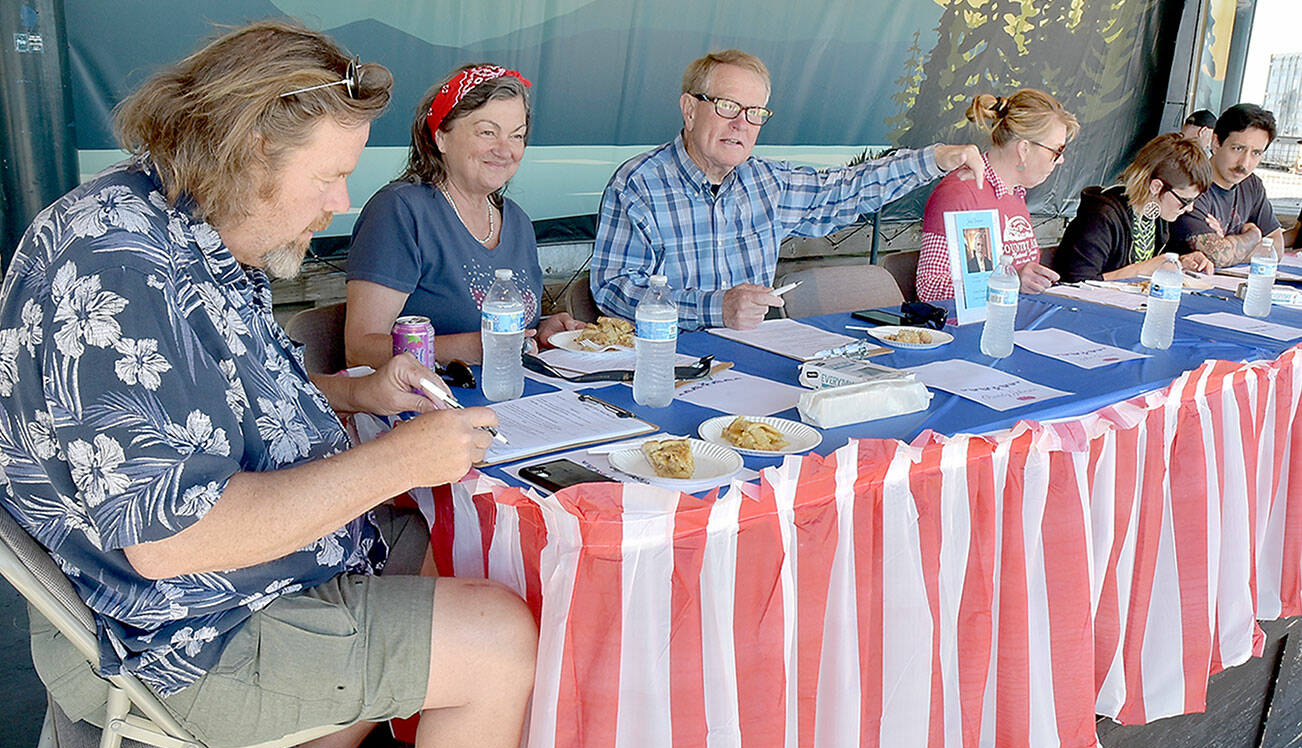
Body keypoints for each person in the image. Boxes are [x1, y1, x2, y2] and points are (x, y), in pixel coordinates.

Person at [0, 22, 534, 748]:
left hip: (217, 584)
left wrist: (360, 392)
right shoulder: (120, 271)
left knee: (451, 539)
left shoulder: (174, 223)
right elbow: (177, 538)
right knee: (501, 634)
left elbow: (208, 410)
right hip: (178, 636)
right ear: (251, 149)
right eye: (329, 175)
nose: (340, 202)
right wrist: (398, 458)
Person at [590, 49, 986, 330]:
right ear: (690, 109)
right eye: (727, 106)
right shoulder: (639, 184)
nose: (741, 124)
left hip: (752, 358)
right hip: (667, 364)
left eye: (754, 113)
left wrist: (933, 160)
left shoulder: (765, 183)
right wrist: (714, 307)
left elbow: (847, 189)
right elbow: (612, 291)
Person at [345, 65, 584, 369]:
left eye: (517, 135)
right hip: (425, 405)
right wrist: (466, 348)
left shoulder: (518, 222)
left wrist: (540, 334)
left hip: (510, 399)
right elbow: (360, 349)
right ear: (441, 136)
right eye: (487, 132)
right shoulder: (400, 211)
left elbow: (509, 338)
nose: (505, 149)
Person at [916, 88, 1079, 302]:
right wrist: (1012, 283)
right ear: (1024, 149)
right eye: (1056, 151)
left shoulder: (1014, 193)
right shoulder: (961, 193)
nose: (1060, 160)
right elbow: (929, 287)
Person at [1053, 133, 1215, 282]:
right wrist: (1141, 270)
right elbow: (1075, 283)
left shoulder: (1158, 215)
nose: (1189, 209)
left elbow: (1162, 261)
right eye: (1185, 201)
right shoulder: (1101, 215)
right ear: (1157, 187)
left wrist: (1182, 260)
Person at [1169, 103, 1284, 267]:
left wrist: (1231, 246)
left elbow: (1277, 248)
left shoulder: (1252, 185)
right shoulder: (1191, 184)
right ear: (1216, 143)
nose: (1244, 163)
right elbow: (1217, 256)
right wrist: (1253, 237)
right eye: (1238, 148)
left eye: (1256, 153)